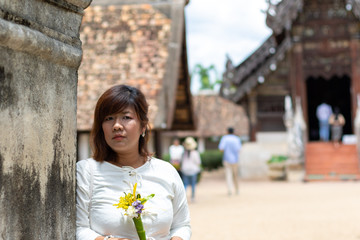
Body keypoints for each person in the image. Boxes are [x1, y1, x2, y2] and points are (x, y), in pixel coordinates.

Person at [76, 85, 191, 240]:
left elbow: (182, 225)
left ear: (143, 126)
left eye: (126, 117)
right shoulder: (86, 171)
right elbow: (79, 228)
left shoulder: (167, 171)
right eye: (109, 118)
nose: (116, 125)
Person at [218, 127, 242, 195]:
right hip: (235, 159)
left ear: (227, 131)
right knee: (235, 175)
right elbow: (239, 149)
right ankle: (237, 190)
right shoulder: (237, 139)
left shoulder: (224, 138)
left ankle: (229, 190)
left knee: (228, 175)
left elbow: (221, 149)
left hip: (227, 159)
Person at [180, 137, 201, 203]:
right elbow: (198, 162)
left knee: (185, 184)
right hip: (193, 170)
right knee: (193, 185)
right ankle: (192, 198)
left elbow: (181, 162)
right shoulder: (195, 153)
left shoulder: (183, 153)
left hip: (185, 170)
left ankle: (184, 198)